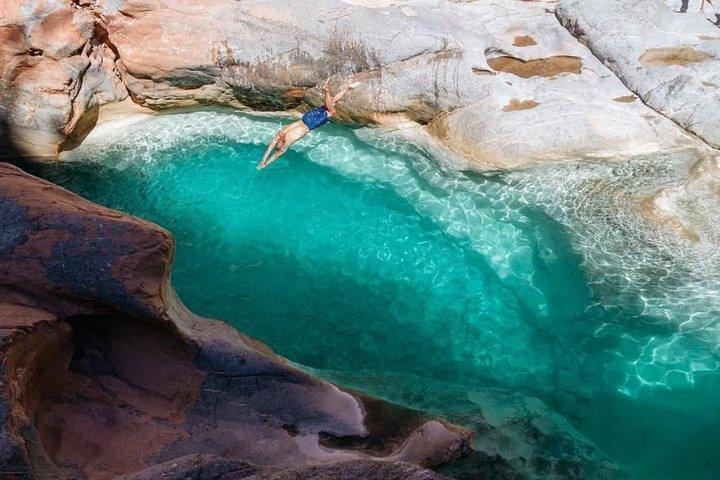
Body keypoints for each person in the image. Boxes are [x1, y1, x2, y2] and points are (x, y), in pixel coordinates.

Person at [257, 79, 359, 170]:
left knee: (331, 111)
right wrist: (263, 161)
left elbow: (275, 155)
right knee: (332, 103)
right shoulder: (280, 134)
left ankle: (326, 91)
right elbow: (270, 147)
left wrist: (265, 164)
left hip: (310, 124)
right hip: (305, 118)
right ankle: (348, 89)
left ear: (282, 143)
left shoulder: (285, 146)